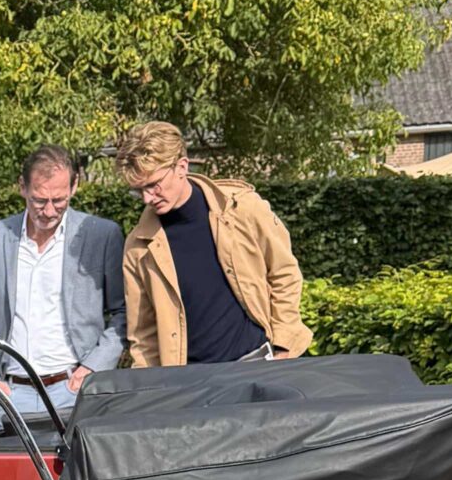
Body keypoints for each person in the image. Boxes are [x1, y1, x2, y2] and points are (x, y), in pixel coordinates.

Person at [115, 122, 310, 367]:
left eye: (154, 184)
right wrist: (153, 384)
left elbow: (284, 273)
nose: (147, 198)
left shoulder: (242, 208)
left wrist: (283, 347)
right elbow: (143, 334)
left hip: (258, 363)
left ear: (181, 167)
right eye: (138, 190)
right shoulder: (138, 246)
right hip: (190, 379)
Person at [0, 145, 125, 419]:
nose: (49, 211)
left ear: (74, 186)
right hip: (10, 394)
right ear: (22, 187)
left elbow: (124, 312)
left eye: (59, 200)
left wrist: (94, 368)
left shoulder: (102, 235)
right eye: (39, 200)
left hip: (76, 389)